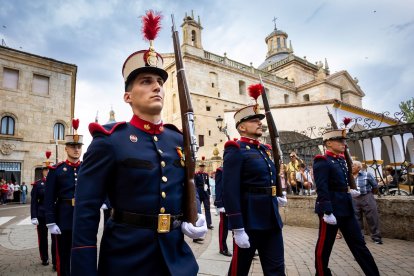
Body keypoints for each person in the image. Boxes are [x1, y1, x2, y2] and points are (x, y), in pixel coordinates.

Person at [71, 11, 206, 275]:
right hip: (127, 259)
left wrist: (196, 213)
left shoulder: (177, 139)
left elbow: (187, 184)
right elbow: (86, 211)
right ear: (127, 96)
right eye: (146, 81)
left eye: (159, 82)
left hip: (176, 259)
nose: (157, 87)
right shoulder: (110, 141)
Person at [223, 103, 287, 275]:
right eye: (254, 120)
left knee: (277, 269)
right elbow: (230, 190)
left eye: (259, 120)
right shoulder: (235, 149)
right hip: (249, 219)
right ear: (242, 127)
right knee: (240, 270)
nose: (259, 123)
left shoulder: (264, 150)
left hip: (271, 217)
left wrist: (278, 194)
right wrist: (237, 227)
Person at [313, 129, 379, 276]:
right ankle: (322, 273)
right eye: (340, 141)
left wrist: (349, 189)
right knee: (325, 245)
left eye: (344, 140)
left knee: (359, 244)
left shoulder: (341, 160)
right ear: (328, 143)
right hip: (331, 209)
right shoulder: (322, 161)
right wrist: (327, 211)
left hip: (346, 206)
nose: (344, 143)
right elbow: (322, 188)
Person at [44, 119, 83, 276]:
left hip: (81, 218)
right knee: (64, 255)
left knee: (80, 254)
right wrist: (51, 221)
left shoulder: (86, 169)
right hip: (63, 217)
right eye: (73, 146)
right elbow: (49, 198)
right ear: (66, 149)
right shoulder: (57, 170)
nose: (76, 149)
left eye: (78, 146)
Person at [31, 165, 57, 270]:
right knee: (43, 238)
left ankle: (56, 261)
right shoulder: (38, 184)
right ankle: (44, 258)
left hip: (54, 214)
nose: (48, 171)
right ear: (43, 172)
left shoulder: (56, 183)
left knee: (55, 239)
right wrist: (33, 216)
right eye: (46, 170)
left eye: (49, 170)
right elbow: (33, 202)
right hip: (41, 214)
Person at [352, 161, 383, 244]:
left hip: (366, 197)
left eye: (353, 166)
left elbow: (375, 186)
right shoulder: (349, 176)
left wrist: (369, 195)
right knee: (356, 219)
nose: (351, 167)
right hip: (354, 199)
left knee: (372, 217)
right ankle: (360, 238)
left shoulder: (367, 175)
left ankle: (376, 238)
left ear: (359, 167)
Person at [214, 166, 232, 257]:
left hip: (236, 201)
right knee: (224, 226)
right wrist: (220, 203)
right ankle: (223, 247)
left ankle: (244, 247)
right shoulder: (221, 170)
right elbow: (218, 187)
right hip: (225, 202)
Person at [195, 160, 214, 230]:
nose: (202, 168)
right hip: (199, 193)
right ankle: (198, 223)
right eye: (201, 167)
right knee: (198, 210)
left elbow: (208, 184)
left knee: (207, 208)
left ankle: (209, 223)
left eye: (203, 167)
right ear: (199, 167)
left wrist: (208, 193)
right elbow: (195, 185)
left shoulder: (206, 174)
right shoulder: (196, 175)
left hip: (205, 194)